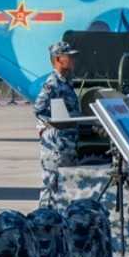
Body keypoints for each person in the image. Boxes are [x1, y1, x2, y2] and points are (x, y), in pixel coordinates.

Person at [34, 40, 82, 209]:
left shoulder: (66, 82)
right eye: (70, 57)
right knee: (50, 189)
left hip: (67, 146)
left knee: (64, 191)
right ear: (59, 59)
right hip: (55, 147)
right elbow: (38, 108)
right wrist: (54, 123)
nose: (74, 60)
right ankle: (42, 220)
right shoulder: (52, 83)